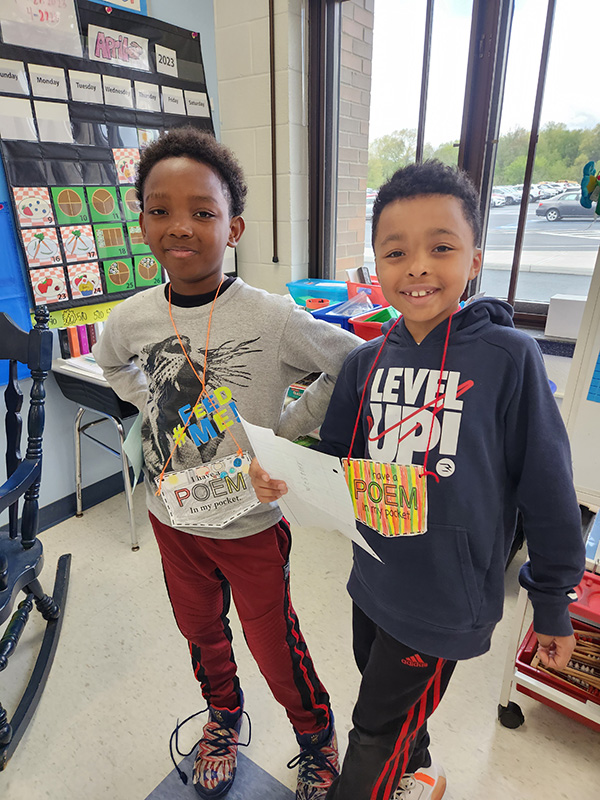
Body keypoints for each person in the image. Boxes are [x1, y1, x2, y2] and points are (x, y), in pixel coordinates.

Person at [250, 160, 586, 800]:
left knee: (374, 728)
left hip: (444, 597)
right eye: (396, 251)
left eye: (442, 247)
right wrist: (285, 480)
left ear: (475, 258)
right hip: (373, 579)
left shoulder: (510, 357)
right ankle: (419, 775)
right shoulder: (365, 361)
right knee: (392, 707)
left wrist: (551, 601)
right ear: (375, 267)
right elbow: (335, 464)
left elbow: (547, 488)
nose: (419, 266)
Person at [93, 126, 361, 800]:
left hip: (250, 526)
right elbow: (112, 364)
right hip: (172, 520)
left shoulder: (271, 318)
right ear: (144, 220)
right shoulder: (131, 317)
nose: (180, 226)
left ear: (234, 226)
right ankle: (222, 717)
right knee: (201, 632)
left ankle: (315, 735)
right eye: (160, 209)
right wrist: (150, 407)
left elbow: (351, 363)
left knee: (276, 648)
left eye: (203, 212)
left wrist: (285, 430)